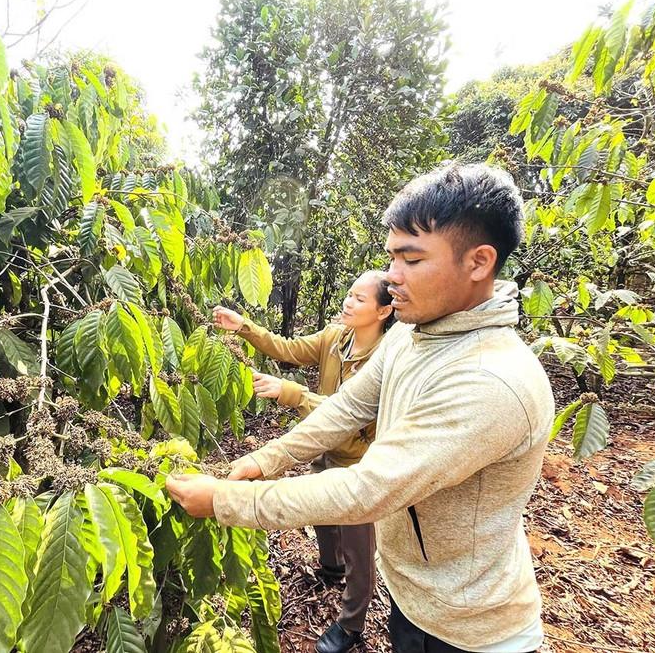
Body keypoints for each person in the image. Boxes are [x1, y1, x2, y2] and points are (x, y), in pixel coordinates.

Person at [166, 163, 554, 653]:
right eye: (391, 259)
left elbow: (367, 490)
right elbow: (348, 406)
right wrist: (265, 460)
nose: (392, 279)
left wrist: (224, 501)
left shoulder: (490, 380)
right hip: (415, 597)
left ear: (478, 262)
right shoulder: (414, 334)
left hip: (472, 628)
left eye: (410, 261)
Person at [212, 270, 395, 653]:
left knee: (360, 549)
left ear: (383, 311)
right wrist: (244, 326)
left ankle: (352, 622)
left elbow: (354, 413)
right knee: (322, 517)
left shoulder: (388, 359)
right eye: (349, 294)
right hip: (326, 450)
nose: (349, 302)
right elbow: (289, 349)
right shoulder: (335, 338)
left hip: (361, 465)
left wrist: (291, 393)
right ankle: (330, 568)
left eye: (360, 299)